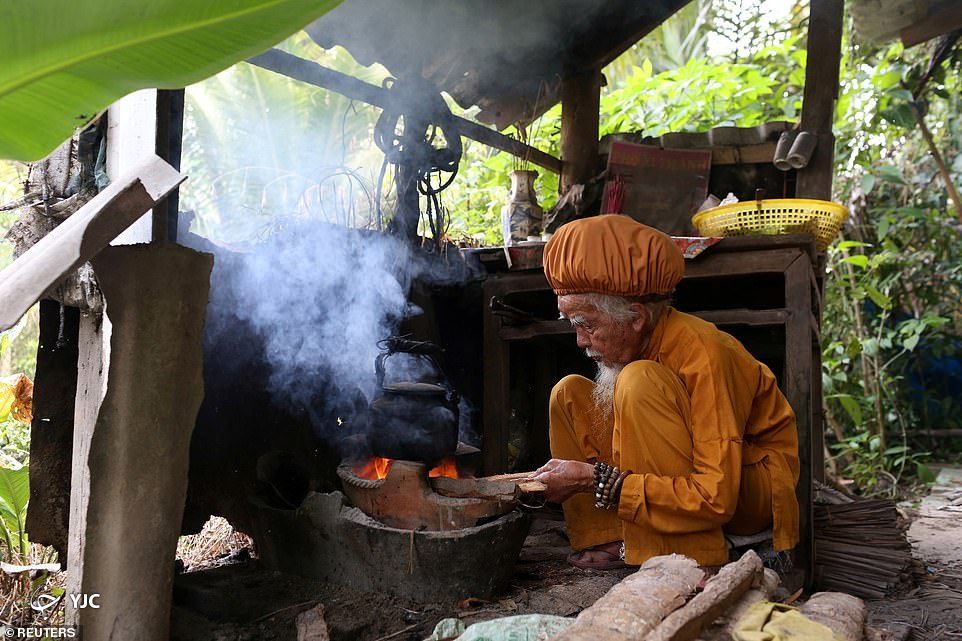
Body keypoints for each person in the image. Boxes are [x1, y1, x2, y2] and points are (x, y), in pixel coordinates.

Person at [531, 214, 799, 570]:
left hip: (748, 489)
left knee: (638, 380)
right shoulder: (640, 341)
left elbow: (716, 496)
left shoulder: (703, 352)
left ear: (637, 317)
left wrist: (592, 478)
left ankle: (683, 556)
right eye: (573, 325)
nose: (581, 341)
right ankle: (609, 537)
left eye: (588, 325)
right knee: (568, 393)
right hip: (698, 484)